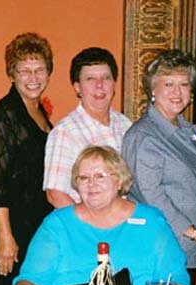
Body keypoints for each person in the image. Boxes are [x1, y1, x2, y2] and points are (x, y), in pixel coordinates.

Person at [0, 146, 189, 285]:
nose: (91, 183)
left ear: (120, 181)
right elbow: (33, 282)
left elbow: (176, 278)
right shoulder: (58, 224)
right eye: (83, 177)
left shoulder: (151, 222)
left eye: (100, 176)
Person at [121, 49, 196, 285]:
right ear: (153, 90)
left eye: (183, 84)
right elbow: (152, 196)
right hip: (159, 244)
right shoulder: (142, 136)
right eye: (168, 84)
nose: (176, 92)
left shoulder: (191, 132)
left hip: (190, 245)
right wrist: (193, 231)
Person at [0, 32, 54, 285]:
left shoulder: (38, 111)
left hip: (37, 224)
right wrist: (5, 238)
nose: (33, 77)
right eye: (24, 71)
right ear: (12, 74)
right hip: (14, 230)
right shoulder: (4, 116)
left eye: (39, 70)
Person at [44, 47, 132, 209]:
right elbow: (55, 194)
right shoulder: (65, 132)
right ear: (77, 87)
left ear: (114, 84)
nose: (100, 86)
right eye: (90, 79)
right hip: (89, 230)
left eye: (106, 78)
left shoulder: (126, 125)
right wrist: (91, 228)